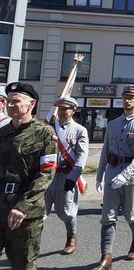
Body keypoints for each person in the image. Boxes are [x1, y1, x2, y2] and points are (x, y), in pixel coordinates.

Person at [94, 85, 134, 270]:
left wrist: (125, 175)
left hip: (132, 177)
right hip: (112, 173)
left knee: (131, 216)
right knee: (108, 217)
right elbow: (105, 150)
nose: (127, 101)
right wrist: (99, 175)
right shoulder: (112, 124)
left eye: (131, 98)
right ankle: (106, 257)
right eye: (125, 97)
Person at [0, 83, 57, 270]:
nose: (10, 105)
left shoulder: (44, 133)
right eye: (8, 101)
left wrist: (23, 206)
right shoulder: (2, 133)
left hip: (25, 213)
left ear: (31, 104)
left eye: (15, 101)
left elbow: (46, 173)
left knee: (22, 265)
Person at [44, 96, 89, 255]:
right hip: (46, 176)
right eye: (60, 108)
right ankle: (30, 241)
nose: (62, 111)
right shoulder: (49, 127)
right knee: (39, 212)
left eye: (66, 109)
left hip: (66, 176)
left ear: (73, 110)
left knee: (67, 212)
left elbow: (82, 156)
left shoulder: (79, 130)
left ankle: (71, 237)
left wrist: (73, 177)